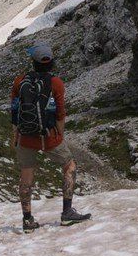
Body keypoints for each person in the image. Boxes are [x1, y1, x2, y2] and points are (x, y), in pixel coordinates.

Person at [10, 42, 91, 233]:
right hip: (49, 137)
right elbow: (60, 114)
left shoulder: (19, 81)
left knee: (26, 177)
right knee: (69, 166)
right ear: (51, 63)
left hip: (25, 136)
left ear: (33, 62)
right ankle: (67, 212)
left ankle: (28, 220)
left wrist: (15, 134)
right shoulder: (56, 83)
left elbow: (14, 111)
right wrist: (58, 135)